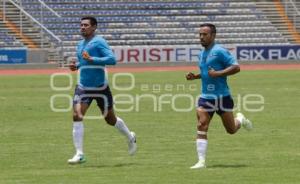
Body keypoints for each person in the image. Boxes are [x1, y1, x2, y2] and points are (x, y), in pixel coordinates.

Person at [67, 16, 137, 164]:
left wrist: (93, 59)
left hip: (100, 88)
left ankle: (130, 137)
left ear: (94, 27)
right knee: (76, 115)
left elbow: (112, 59)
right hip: (83, 87)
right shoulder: (80, 44)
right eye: (81, 25)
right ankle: (79, 154)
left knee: (110, 120)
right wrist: (77, 65)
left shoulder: (99, 42)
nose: (82, 27)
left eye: (86, 25)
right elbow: (84, 61)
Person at [186, 23, 252, 169]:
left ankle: (240, 119)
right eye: (200, 34)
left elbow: (236, 67)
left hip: (222, 97)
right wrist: (195, 76)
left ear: (213, 35)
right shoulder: (201, 53)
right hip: (206, 97)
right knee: (201, 124)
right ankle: (201, 161)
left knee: (231, 130)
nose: (201, 37)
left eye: (205, 34)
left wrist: (219, 74)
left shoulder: (220, 51)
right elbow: (206, 73)